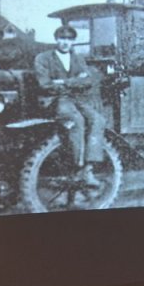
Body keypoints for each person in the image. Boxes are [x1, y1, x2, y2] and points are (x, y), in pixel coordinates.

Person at [34, 25, 105, 187]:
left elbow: (88, 81)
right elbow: (45, 84)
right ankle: (77, 165)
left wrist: (64, 82)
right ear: (56, 39)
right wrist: (75, 82)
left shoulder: (78, 59)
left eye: (69, 39)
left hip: (75, 99)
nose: (65, 42)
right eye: (62, 38)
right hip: (53, 100)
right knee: (76, 121)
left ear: (73, 42)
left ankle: (88, 167)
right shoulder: (43, 58)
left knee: (98, 120)